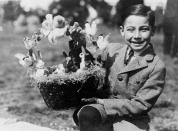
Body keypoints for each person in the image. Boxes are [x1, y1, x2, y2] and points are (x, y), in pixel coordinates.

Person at [73, 4, 166, 131]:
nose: (137, 35)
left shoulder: (156, 66)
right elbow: (90, 60)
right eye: (131, 29)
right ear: (122, 30)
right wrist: (79, 42)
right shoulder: (111, 49)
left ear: (153, 30)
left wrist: (101, 102)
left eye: (144, 29)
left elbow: (140, 105)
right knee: (87, 114)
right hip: (102, 112)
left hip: (132, 119)